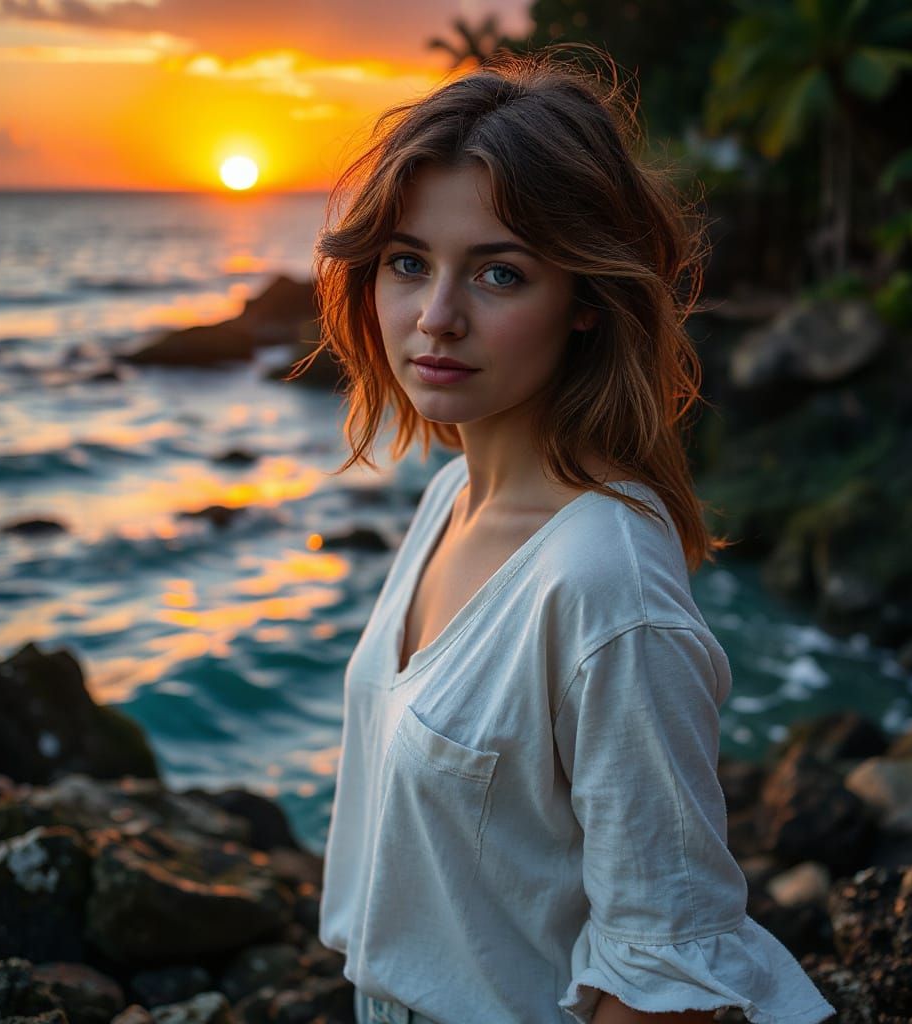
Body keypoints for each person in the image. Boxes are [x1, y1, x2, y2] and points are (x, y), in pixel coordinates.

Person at [295, 44, 837, 1024]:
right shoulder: (447, 497)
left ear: (586, 301)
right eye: (408, 264)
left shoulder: (602, 581)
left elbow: (664, 962)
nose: (435, 317)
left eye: (499, 274)